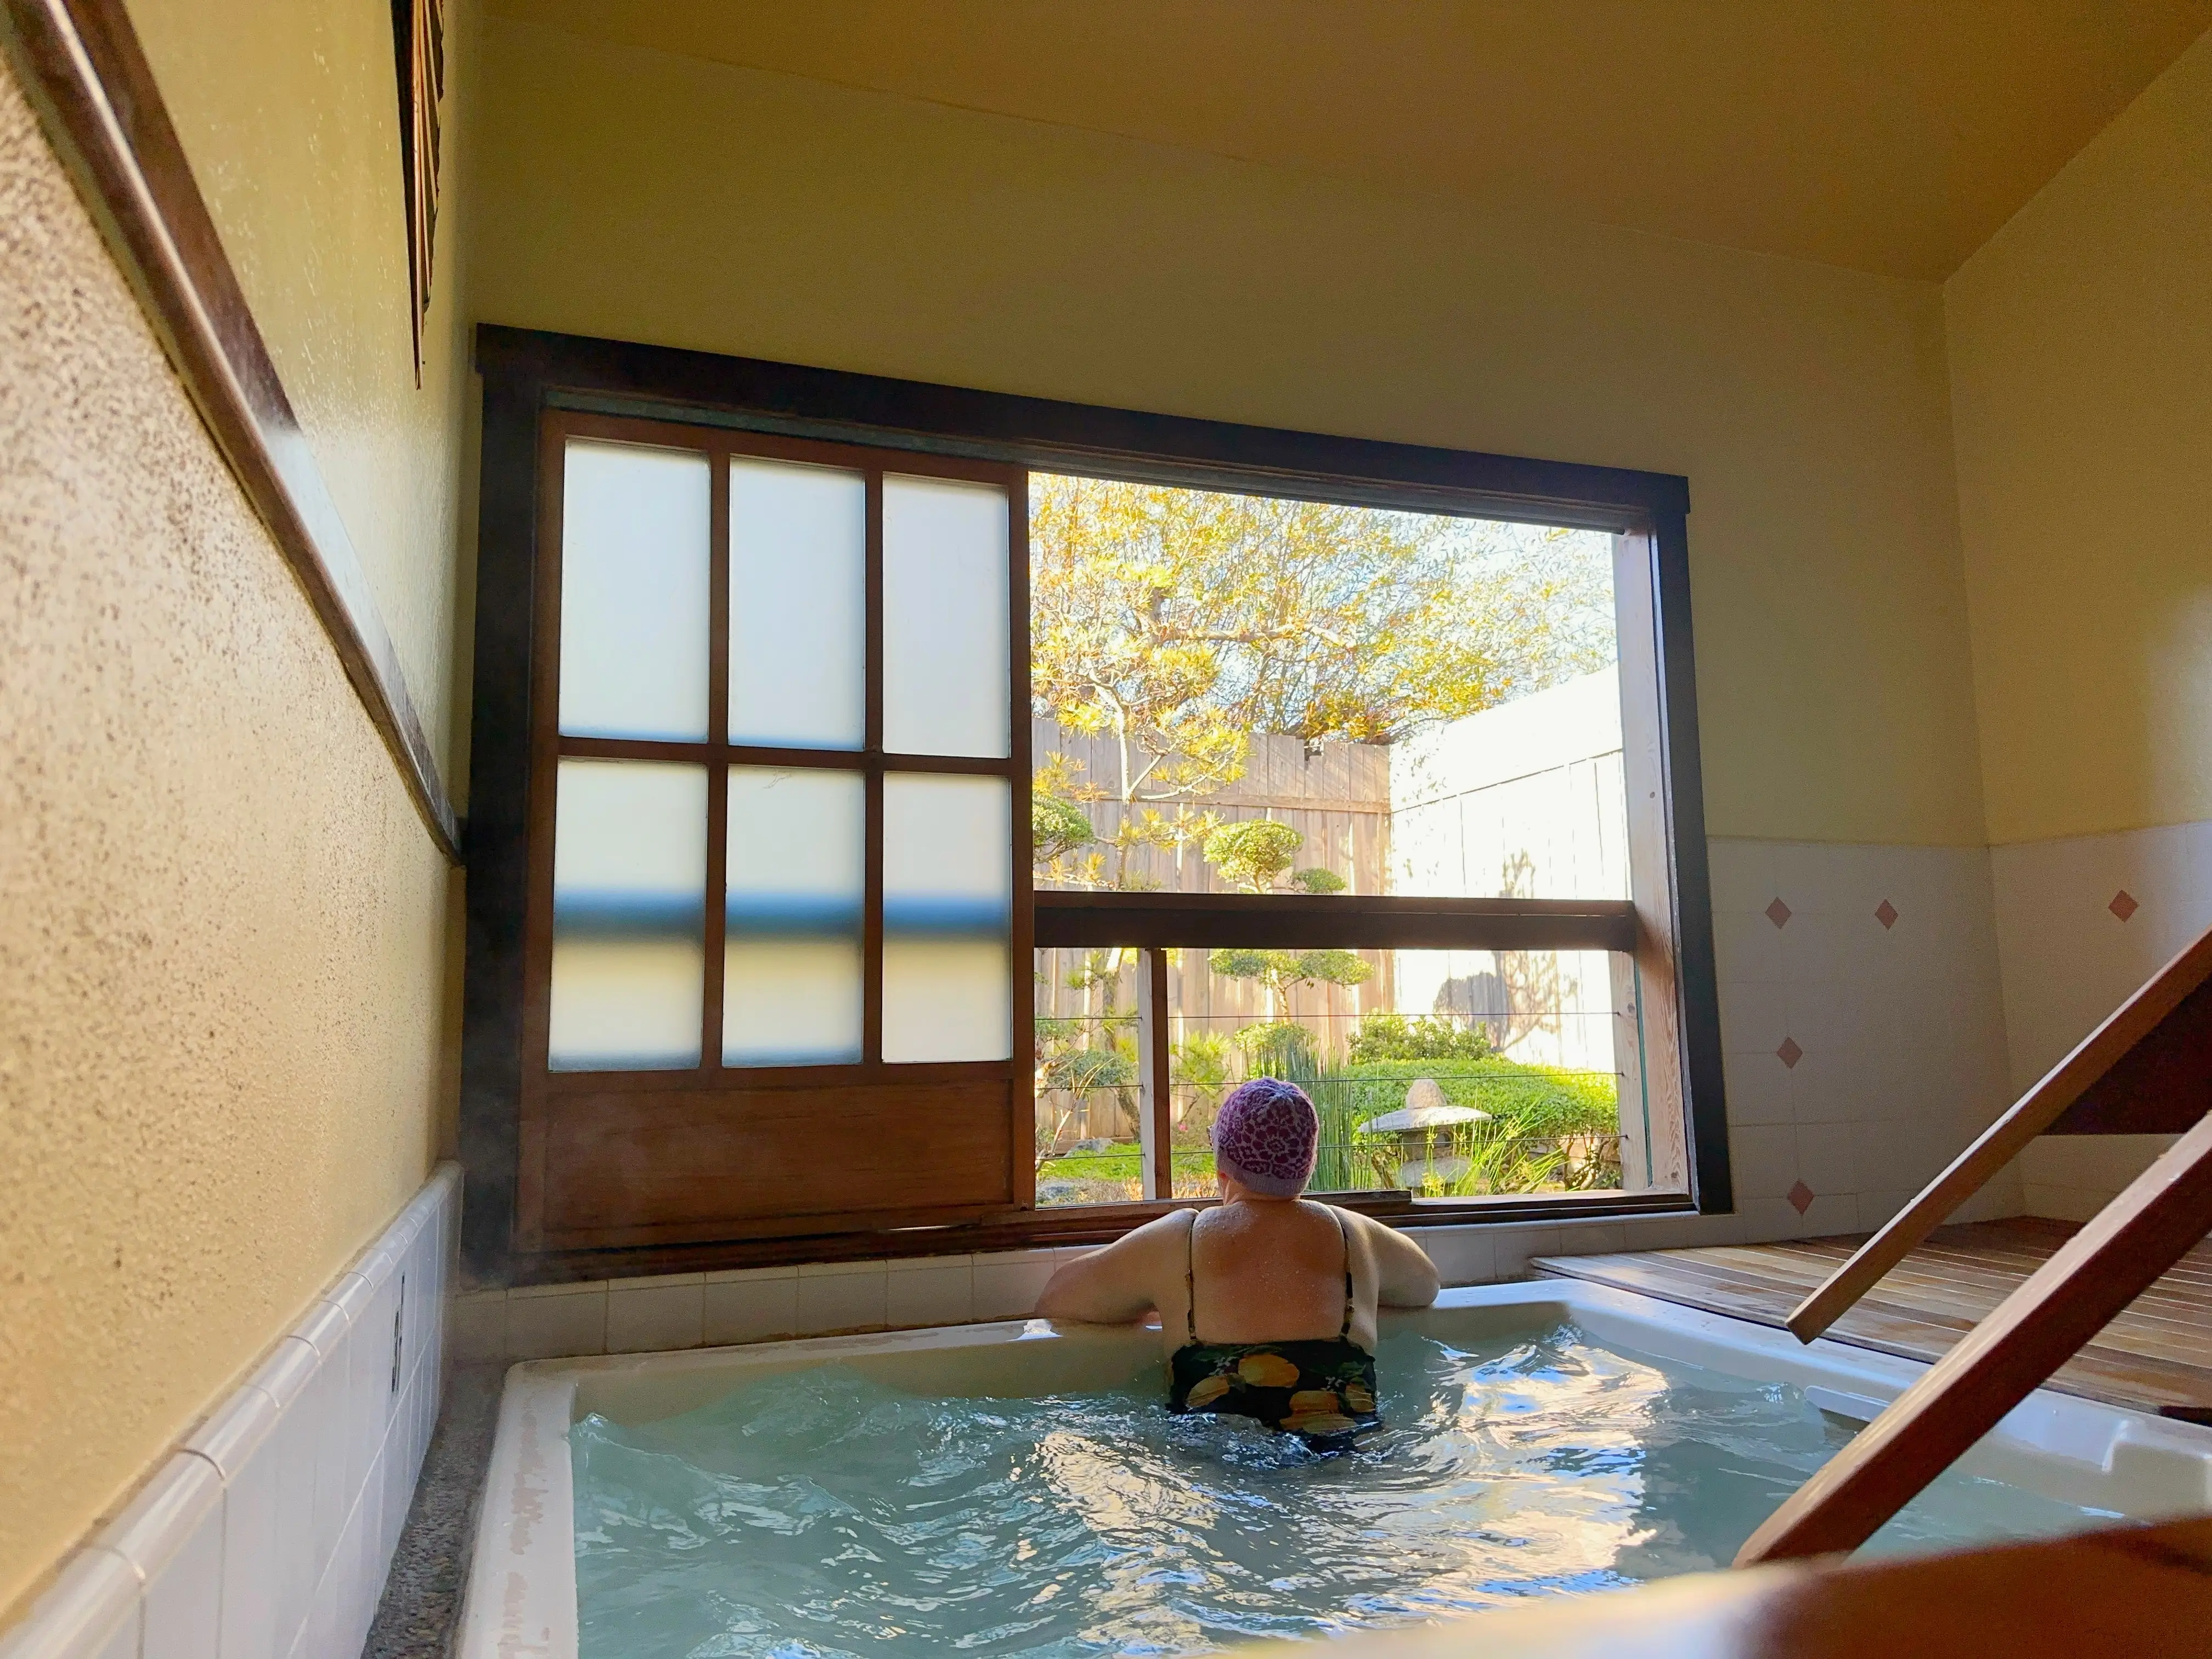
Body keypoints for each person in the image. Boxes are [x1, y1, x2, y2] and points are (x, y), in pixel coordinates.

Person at [1036, 1076, 1440, 1442]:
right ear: (1308, 1165)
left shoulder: (1179, 1241)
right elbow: (1426, 1287)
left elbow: (1057, 1298)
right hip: (1349, 1462)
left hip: (1217, 1468)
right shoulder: (1354, 1235)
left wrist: (1154, 1300)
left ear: (1222, 1166)